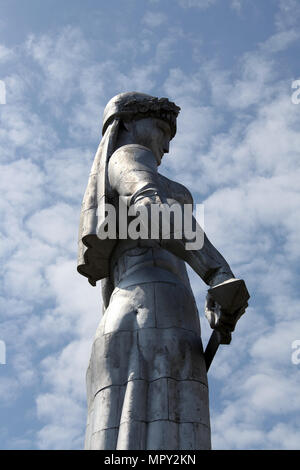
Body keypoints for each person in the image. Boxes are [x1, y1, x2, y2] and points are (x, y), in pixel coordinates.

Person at [77, 92, 245, 450]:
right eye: (162, 129)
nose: (167, 145)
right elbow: (151, 212)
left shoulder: (119, 175)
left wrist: (218, 303)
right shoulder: (128, 156)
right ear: (128, 125)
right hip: (155, 309)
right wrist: (217, 272)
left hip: (130, 314)